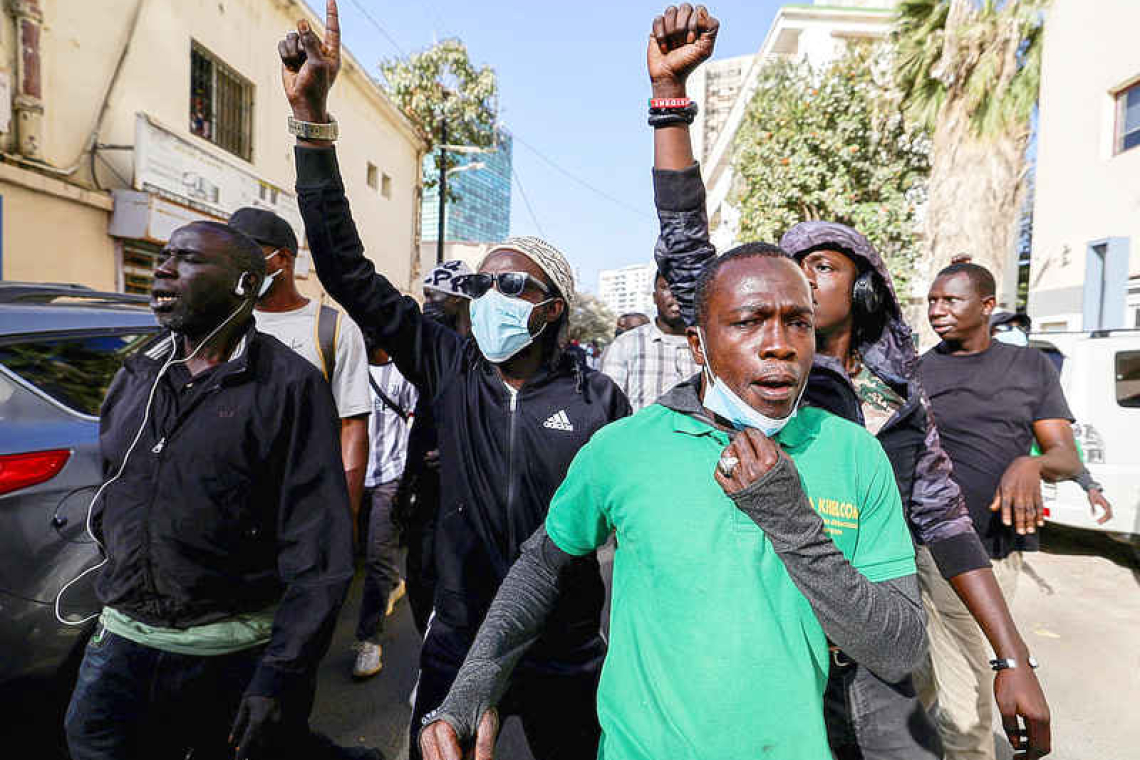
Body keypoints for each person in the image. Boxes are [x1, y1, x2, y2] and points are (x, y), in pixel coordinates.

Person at [418, 8, 924, 759]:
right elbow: (541, 566)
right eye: (749, 322)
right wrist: (472, 689)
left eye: (797, 322)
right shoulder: (625, 447)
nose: (780, 345)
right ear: (698, 341)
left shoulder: (855, 453)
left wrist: (791, 521)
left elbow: (899, 649)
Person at [276, 7, 632, 757]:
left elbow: (630, 532)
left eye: (514, 288)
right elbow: (345, 266)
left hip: (566, 644)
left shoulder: (600, 402)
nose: (490, 298)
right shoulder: (445, 360)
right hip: (459, 632)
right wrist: (312, 121)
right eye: (483, 285)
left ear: (554, 310)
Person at [64, 222, 354, 760]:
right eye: (165, 255)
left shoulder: (289, 387)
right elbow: (116, 484)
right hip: (121, 642)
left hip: (229, 657)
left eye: (188, 259)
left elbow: (318, 547)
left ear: (245, 284)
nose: (164, 268)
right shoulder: (139, 373)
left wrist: (278, 676)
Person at [780, 221, 1051, 759]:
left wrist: (1012, 656)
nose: (804, 281)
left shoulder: (898, 390)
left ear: (864, 290)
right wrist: (670, 132)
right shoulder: (771, 380)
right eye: (793, 270)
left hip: (883, 622)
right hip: (789, 629)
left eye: (823, 267)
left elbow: (941, 512)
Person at [917, 262, 1083, 760]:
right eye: (932, 301)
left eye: (950, 300)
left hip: (999, 549)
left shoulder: (1030, 368)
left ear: (987, 306)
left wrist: (1028, 467)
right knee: (963, 693)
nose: (937, 311)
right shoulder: (919, 370)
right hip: (936, 548)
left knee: (953, 679)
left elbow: (1065, 455)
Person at [229, 207, 372, 532]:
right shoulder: (224, 323)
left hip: (303, 512)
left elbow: (353, 425)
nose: (235, 264)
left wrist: (345, 515)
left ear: (282, 259)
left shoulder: (332, 328)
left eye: (247, 253)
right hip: (230, 509)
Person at [398, 261, 474, 636]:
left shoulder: (481, 354)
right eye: (424, 295)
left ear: (459, 299)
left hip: (465, 496)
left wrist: (461, 450)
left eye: (435, 296)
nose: (427, 303)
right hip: (425, 494)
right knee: (421, 575)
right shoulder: (427, 350)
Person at [352, 338, 418, 679]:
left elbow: (417, 420)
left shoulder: (402, 373)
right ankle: (394, 582)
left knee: (377, 555)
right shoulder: (349, 367)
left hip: (388, 477)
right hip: (350, 475)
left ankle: (369, 640)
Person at [601, 270, 698, 410]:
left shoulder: (710, 346)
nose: (675, 295)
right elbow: (608, 407)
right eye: (667, 288)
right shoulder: (625, 344)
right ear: (654, 297)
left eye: (684, 288)